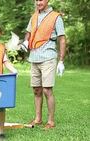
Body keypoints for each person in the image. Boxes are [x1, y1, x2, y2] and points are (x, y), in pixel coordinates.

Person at [20, 0, 66, 129]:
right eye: (36, 0)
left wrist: (61, 61)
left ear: (47, 0)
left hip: (48, 57)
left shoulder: (56, 17)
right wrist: (25, 41)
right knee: (36, 89)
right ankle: (38, 119)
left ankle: (51, 121)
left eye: (40, 0)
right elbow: (29, 32)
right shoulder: (34, 16)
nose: (38, 2)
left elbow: (62, 39)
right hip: (34, 57)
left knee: (47, 89)